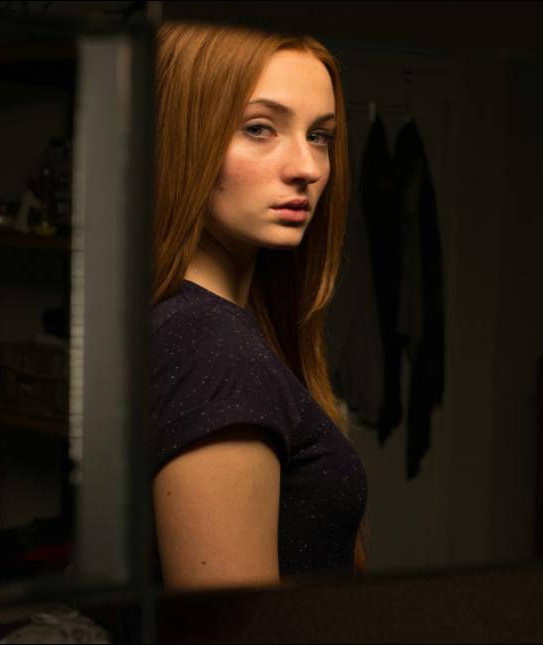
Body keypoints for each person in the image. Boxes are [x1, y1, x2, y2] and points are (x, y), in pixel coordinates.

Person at [150, 22, 366, 589]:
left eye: (320, 136)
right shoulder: (211, 349)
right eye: (259, 128)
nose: (308, 168)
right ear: (183, 136)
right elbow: (233, 626)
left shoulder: (203, 326)